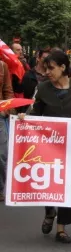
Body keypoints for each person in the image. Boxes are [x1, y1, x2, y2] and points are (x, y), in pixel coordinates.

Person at [18, 50, 71, 243]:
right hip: (48, 145)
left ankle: (61, 229)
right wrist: (24, 118)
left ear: (63, 67)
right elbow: (34, 111)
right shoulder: (42, 88)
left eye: (51, 68)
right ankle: (50, 210)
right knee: (50, 181)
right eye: (45, 68)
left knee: (68, 184)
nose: (47, 72)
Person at [0, 59, 14, 203]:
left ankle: (0, 189)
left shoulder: (2, 66)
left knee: (2, 155)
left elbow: (8, 91)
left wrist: (7, 110)